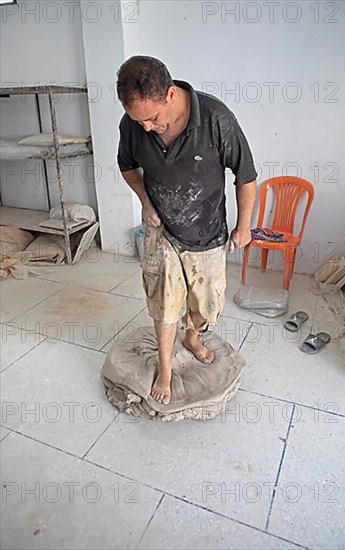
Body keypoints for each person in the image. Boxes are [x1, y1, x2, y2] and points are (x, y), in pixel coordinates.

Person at [116, 56, 257, 405]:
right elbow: (127, 166)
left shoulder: (215, 119)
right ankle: (165, 369)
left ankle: (192, 337)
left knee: (206, 306)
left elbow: (246, 176)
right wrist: (146, 204)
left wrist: (244, 226)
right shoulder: (133, 125)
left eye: (152, 118)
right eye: (138, 120)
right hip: (162, 229)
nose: (146, 127)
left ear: (170, 94)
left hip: (207, 230)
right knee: (163, 304)